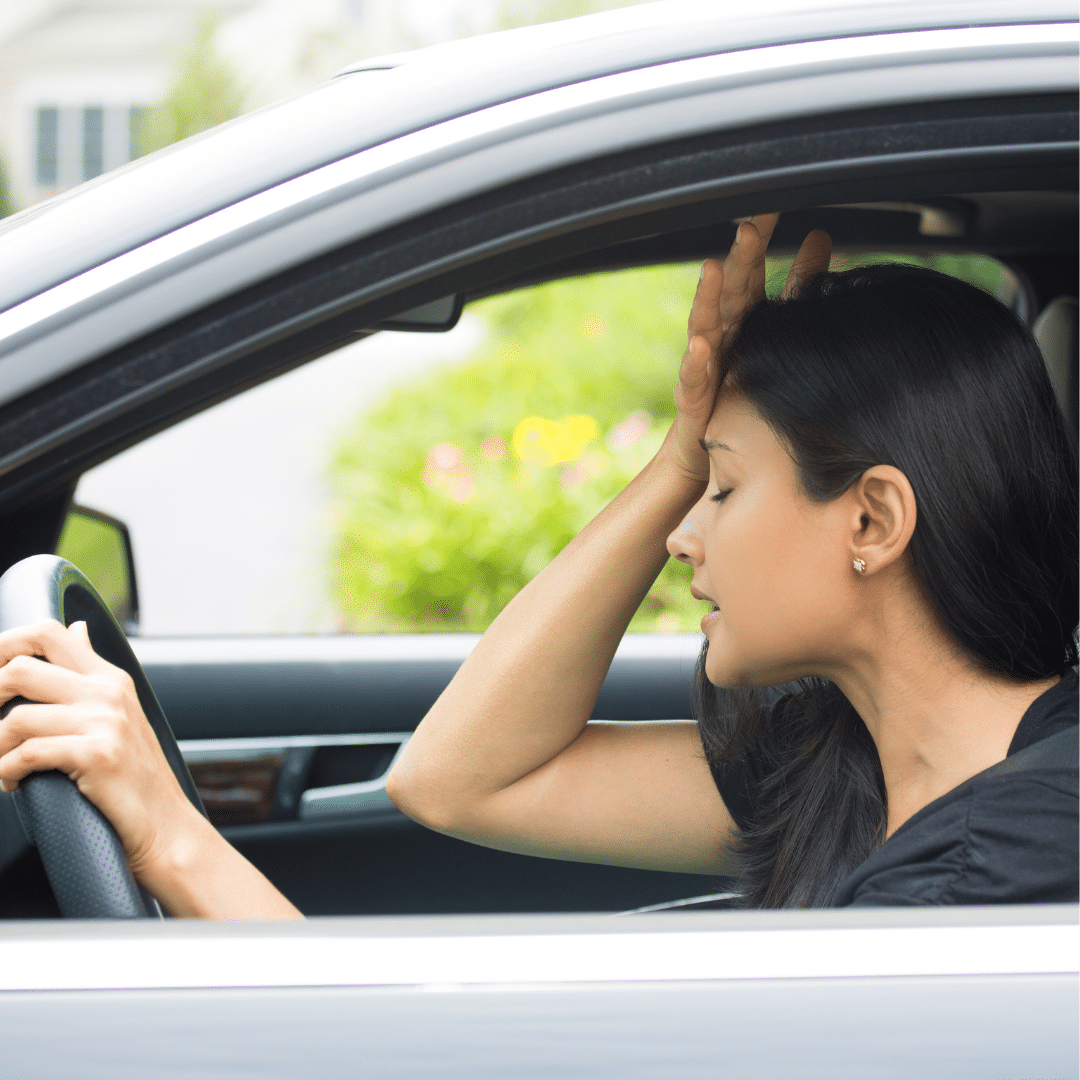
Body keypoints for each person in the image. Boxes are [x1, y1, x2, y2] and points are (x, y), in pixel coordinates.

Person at [0, 215, 1074, 915]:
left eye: (725, 489)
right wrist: (677, 453)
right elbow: (458, 780)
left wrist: (174, 839)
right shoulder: (857, 764)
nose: (682, 535)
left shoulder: (1002, 871)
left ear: (874, 519)